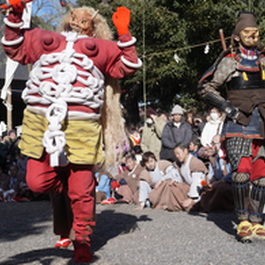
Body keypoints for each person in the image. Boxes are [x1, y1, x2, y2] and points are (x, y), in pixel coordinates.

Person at [2, 2, 142, 262]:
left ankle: (83, 242)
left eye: (85, 18)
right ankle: (68, 187)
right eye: (75, 15)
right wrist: (16, 14)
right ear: (67, 18)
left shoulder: (101, 48)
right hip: (41, 123)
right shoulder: (47, 39)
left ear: (95, 24)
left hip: (81, 127)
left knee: (82, 190)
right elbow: (14, 47)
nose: (78, 20)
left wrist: (123, 32)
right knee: (36, 181)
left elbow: (128, 65)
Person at [198, 11, 265, 242]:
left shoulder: (264, 59)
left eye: (256, 33)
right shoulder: (230, 61)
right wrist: (228, 109)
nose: (253, 37)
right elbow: (206, 89)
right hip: (238, 123)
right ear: (237, 36)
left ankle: (258, 221)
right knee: (240, 175)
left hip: (263, 124)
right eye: (248, 33)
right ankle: (243, 220)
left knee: (261, 177)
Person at [199, 134, 234, 212]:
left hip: (228, 184)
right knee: (205, 189)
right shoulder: (214, 158)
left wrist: (218, 182)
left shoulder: (228, 157)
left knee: (221, 188)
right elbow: (212, 175)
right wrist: (206, 182)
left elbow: (232, 174)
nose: (211, 146)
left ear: (220, 144)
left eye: (214, 143)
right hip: (217, 183)